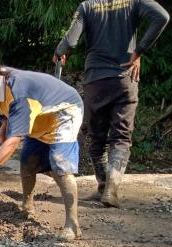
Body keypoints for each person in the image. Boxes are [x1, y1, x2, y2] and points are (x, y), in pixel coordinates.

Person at [54, 0, 169, 207]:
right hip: (125, 77)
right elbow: (162, 17)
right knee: (122, 136)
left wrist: (59, 51)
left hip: (95, 80)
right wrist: (139, 51)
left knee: (95, 136)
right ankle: (111, 190)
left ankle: (103, 186)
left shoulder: (87, 6)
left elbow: (70, 42)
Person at [0, 52, 84, 240]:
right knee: (27, 161)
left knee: (60, 165)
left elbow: (13, 141)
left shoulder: (17, 91)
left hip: (63, 113)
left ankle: (72, 225)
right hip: (38, 118)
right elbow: (5, 127)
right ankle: (27, 206)